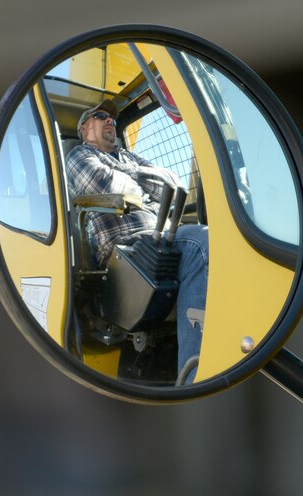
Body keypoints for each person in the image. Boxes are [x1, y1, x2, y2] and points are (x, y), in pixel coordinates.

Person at [66, 99, 208, 383]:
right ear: (84, 128)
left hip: (159, 242)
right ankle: (195, 379)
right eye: (101, 116)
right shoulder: (79, 156)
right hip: (125, 251)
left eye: (112, 118)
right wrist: (146, 189)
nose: (110, 121)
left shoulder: (128, 158)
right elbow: (102, 184)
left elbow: (175, 183)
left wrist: (131, 175)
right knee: (199, 244)